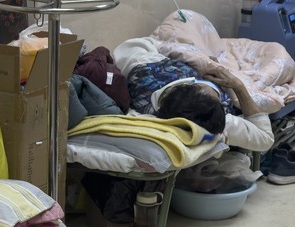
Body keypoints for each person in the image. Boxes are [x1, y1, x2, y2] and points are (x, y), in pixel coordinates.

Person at [113, 37, 274, 152]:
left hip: (180, 51)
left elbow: (144, 43)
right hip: (239, 75)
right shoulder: (213, 120)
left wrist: (200, 59)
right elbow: (265, 137)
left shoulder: (142, 67)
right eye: (216, 95)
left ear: (188, 85)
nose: (217, 93)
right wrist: (238, 86)